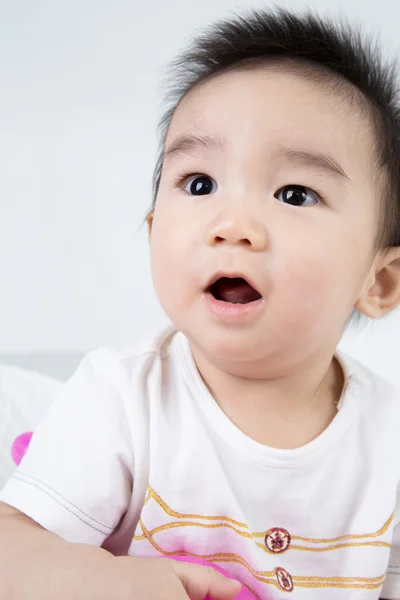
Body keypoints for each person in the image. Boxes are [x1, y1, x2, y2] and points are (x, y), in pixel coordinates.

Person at [1, 7, 400, 600]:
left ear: (380, 282)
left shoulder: (386, 440)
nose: (232, 224)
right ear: (153, 226)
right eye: (199, 184)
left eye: (294, 193)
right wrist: (110, 581)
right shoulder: (123, 399)